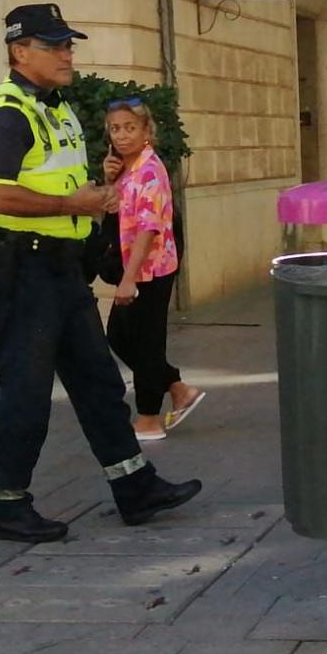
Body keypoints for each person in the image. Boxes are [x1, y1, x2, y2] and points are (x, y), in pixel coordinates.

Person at [0, 4, 200, 543]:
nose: (68, 52)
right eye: (55, 45)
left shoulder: (57, 108)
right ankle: (4, 503)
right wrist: (74, 203)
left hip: (61, 267)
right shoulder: (6, 113)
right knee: (25, 388)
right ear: (20, 52)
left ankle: (135, 486)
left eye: (69, 43)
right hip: (23, 266)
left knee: (97, 381)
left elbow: (58, 183)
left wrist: (98, 193)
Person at [101, 97, 204, 442]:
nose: (122, 135)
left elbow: (148, 228)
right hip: (135, 268)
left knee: (145, 342)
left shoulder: (149, 169)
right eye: (116, 128)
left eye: (130, 127)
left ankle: (148, 418)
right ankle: (177, 387)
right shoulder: (126, 168)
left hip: (152, 269)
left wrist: (129, 280)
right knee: (118, 335)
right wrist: (107, 179)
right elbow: (114, 214)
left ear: (147, 131)